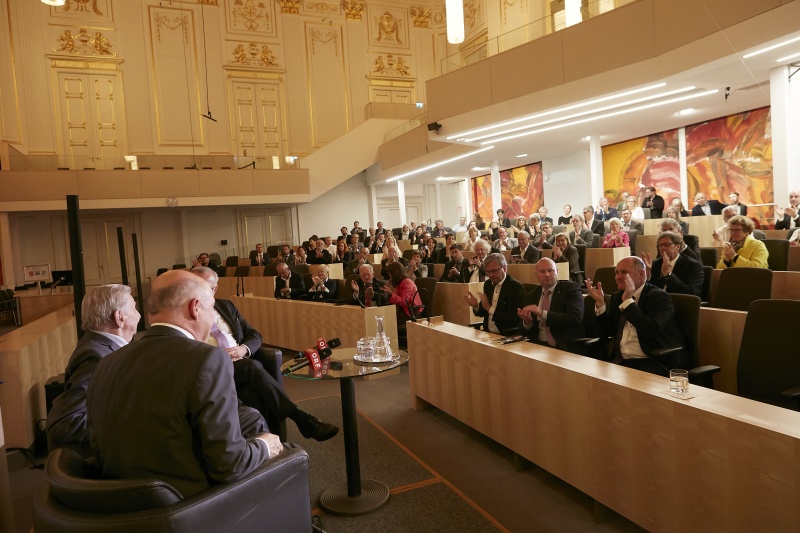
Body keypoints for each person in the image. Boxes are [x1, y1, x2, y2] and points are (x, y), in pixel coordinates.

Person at [86, 270, 280, 499]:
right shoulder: (208, 359)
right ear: (195, 308)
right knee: (272, 446)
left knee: (248, 416)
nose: (211, 319)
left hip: (119, 498)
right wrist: (265, 446)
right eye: (211, 309)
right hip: (188, 503)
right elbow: (230, 465)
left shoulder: (107, 362)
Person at [193, 267, 338, 442]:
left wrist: (243, 349)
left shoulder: (227, 306)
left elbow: (255, 335)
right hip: (214, 368)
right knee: (252, 366)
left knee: (253, 394)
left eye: (205, 287)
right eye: (195, 285)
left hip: (240, 364)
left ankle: (269, 444)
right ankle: (302, 419)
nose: (199, 291)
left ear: (215, 288)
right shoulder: (186, 313)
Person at [46, 285, 140, 457]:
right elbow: (65, 425)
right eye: (135, 308)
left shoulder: (100, 347)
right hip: (101, 459)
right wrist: (133, 423)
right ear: (119, 317)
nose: (139, 315)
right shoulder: (96, 357)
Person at [585, 256, 688, 377]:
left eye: (624, 272)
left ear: (641, 274)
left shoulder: (659, 297)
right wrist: (600, 304)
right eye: (616, 273)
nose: (618, 277)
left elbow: (650, 329)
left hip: (652, 360)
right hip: (622, 361)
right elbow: (607, 331)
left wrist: (628, 302)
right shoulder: (617, 297)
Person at [518, 258, 584, 353]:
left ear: (557, 271)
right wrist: (527, 323)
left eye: (550, 270)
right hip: (537, 346)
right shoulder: (532, 296)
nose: (547, 274)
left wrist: (542, 313)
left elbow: (575, 318)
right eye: (542, 272)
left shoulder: (571, 289)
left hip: (563, 346)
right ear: (536, 274)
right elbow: (524, 332)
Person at [464, 253, 525, 335]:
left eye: (494, 271)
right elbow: (483, 312)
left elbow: (513, 319)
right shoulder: (488, 284)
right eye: (488, 272)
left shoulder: (515, 287)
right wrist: (476, 306)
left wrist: (489, 308)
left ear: (505, 268)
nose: (491, 275)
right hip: (488, 333)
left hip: (507, 334)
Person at [642, 232, 704, 296]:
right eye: (661, 245)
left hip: (678, 302)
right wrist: (648, 275)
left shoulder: (693, 266)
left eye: (667, 244)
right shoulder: (655, 264)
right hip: (657, 302)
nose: (663, 248)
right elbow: (649, 291)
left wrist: (668, 274)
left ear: (678, 246)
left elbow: (691, 292)